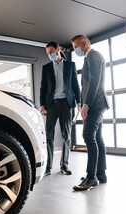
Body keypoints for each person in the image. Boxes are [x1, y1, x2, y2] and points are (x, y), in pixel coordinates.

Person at [71, 35, 110, 190]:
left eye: (75, 47)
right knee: (98, 138)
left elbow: (93, 81)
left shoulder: (93, 56)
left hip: (95, 103)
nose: (75, 50)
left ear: (84, 43)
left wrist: (86, 104)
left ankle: (91, 177)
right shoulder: (92, 57)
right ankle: (100, 174)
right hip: (98, 103)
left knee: (88, 136)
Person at [40, 41, 81, 176]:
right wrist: (42, 105)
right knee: (49, 136)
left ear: (57, 50)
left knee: (66, 136)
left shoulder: (70, 65)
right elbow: (43, 88)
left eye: (51, 52)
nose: (49, 55)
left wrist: (79, 101)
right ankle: (48, 167)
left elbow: (75, 85)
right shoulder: (46, 68)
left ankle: (64, 165)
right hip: (52, 105)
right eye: (47, 53)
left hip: (66, 104)